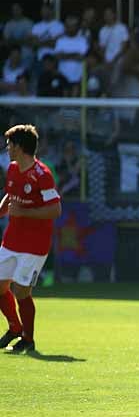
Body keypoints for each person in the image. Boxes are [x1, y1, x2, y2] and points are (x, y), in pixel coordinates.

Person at [0, 125, 62, 354]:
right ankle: (14, 328)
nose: (7, 148)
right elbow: (11, 194)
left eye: (10, 144)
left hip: (34, 246)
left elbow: (55, 210)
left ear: (19, 147)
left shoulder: (42, 175)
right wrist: (2, 209)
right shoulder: (13, 169)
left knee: (21, 291)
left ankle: (28, 339)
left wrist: (23, 213)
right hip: (11, 240)